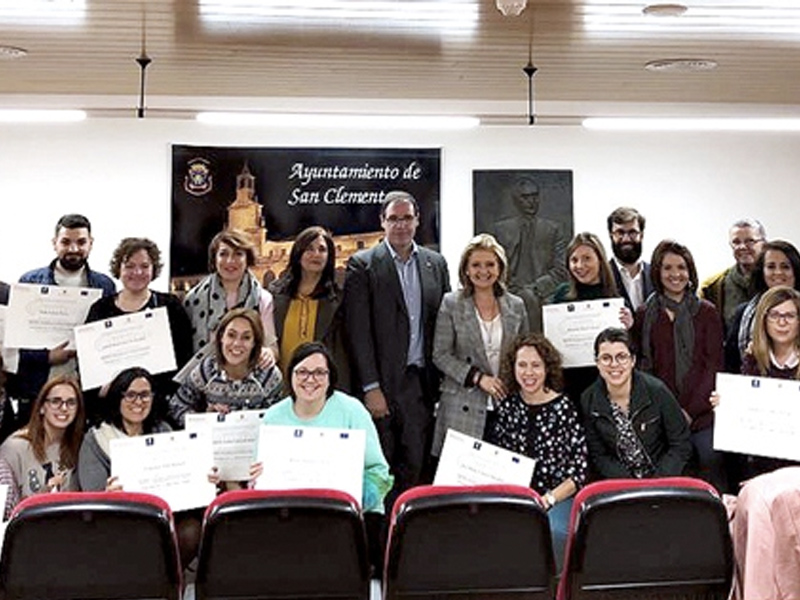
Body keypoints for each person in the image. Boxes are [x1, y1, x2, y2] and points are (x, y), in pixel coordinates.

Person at [344, 190, 450, 504]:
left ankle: (408, 536)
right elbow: (358, 331)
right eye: (393, 219)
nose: (400, 225)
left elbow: (444, 324)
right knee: (381, 468)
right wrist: (370, 386)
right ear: (382, 222)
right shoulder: (362, 265)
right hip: (382, 386)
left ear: (417, 220)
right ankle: (380, 543)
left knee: (416, 468)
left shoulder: (436, 264)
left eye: (407, 218)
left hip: (421, 384)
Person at [262, 341, 393, 572]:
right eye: (302, 372)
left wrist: (354, 499)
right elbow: (260, 476)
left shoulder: (353, 410)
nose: (310, 379)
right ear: (290, 375)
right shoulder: (273, 416)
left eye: (319, 372)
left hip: (351, 513)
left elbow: (380, 473)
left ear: (331, 377)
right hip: (291, 513)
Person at [487, 333, 587, 570]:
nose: (528, 373)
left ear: (547, 369)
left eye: (535, 365)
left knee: (554, 531)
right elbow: (497, 460)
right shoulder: (507, 407)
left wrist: (548, 499)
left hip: (557, 497)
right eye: (522, 365)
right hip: (516, 497)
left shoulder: (564, 407)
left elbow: (578, 472)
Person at [635, 240, 725, 490]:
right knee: (660, 466)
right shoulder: (645, 313)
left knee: (709, 456)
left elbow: (713, 367)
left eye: (681, 267)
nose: (675, 274)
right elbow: (644, 366)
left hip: (701, 413)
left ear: (690, 271)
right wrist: (669, 411)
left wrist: (689, 411)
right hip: (660, 413)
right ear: (657, 272)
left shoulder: (707, 312)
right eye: (667, 268)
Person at [11, 214, 116, 423]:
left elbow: (109, 338)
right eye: (66, 242)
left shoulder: (105, 285)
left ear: (91, 243)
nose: (74, 249)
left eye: (81, 242)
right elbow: (15, 349)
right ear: (54, 243)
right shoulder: (29, 282)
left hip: (85, 390)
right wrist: (47, 357)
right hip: (37, 389)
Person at [431, 233, 528, 456]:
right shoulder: (451, 303)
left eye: (490, 264)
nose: (483, 271)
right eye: (476, 265)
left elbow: (525, 354)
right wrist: (478, 378)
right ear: (466, 269)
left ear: (500, 268)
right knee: (462, 484)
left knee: (504, 482)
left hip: (506, 402)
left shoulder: (517, 305)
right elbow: (440, 354)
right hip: (462, 403)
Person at [84, 237, 194, 422]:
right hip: (110, 411)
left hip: (158, 410)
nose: (137, 272)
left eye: (144, 266)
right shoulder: (99, 309)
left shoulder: (170, 307)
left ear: (154, 269)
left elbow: (184, 359)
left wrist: (152, 390)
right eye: (129, 266)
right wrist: (99, 388)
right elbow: (87, 362)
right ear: (118, 269)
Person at [712, 286, 800, 486]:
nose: (782, 322)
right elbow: (747, 413)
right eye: (774, 315)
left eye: (790, 316)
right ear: (763, 319)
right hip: (760, 464)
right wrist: (727, 405)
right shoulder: (753, 357)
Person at [581, 327, 692, 479]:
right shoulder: (588, 399)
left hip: (663, 478)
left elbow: (681, 444)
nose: (614, 364)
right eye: (606, 358)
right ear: (597, 363)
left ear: (633, 360)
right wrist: (629, 485)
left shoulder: (657, 391)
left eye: (621, 357)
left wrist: (657, 482)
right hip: (620, 483)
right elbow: (599, 455)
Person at [548, 232, 632, 403]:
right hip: (570, 384)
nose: (580, 265)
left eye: (587, 258)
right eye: (574, 260)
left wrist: (630, 324)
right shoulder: (561, 295)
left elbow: (631, 346)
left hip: (608, 383)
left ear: (599, 260)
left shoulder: (616, 295)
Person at [168, 308, 282, 428]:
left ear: (255, 342)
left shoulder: (269, 375)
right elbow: (176, 406)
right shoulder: (207, 370)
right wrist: (204, 420)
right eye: (231, 335)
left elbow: (279, 421)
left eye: (246, 337)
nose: (237, 343)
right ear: (221, 337)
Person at [268, 226, 349, 388]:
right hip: (280, 389)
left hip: (322, 389)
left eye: (322, 249)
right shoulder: (275, 294)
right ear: (298, 253)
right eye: (309, 249)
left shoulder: (339, 299)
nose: (316, 255)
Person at [183, 228, 278, 360]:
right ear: (214, 259)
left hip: (247, 376)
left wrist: (268, 354)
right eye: (223, 254)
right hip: (201, 376)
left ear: (247, 259)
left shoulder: (263, 298)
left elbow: (272, 348)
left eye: (238, 254)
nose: (230, 261)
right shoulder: (193, 299)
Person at [488, 176, 567, 332]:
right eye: (525, 197)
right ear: (516, 200)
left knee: (530, 299)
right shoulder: (501, 230)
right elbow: (493, 267)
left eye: (534, 196)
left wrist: (536, 288)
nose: (531, 201)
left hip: (543, 292)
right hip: (509, 291)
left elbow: (561, 269)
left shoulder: (553, 229)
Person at [0, 375, 84, 499]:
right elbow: (5, 507)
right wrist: (41, 498)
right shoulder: (15, 447)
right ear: (41, 407)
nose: (64, 408)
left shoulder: (81, 445)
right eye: (56, 401)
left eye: (71, 402)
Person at [724, 240, 800, 373]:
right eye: (771, 266)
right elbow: (731, 364)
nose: (778, 272)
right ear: (762, 271)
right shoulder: (743, 313)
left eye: (785, 266)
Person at [700, 218, 766, 335]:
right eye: (736, 242)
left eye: (750, 241)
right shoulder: (713, 287)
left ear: (764, 244)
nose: (742, 247)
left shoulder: (777, 280)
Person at [607, 207, 653, 312]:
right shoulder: (601, 276)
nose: (626, 239)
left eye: (632, 232)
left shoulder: (656, 274)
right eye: (620, 233)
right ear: (611, 236)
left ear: (641, 235)